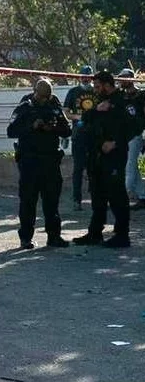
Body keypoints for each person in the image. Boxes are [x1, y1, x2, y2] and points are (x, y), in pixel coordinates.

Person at [6, 79, 71, 250]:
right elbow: (11, 131)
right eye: (42, 97)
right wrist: (31, 126)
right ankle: (26, 238)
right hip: (30, 161)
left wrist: (53, 128)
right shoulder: (25, 106)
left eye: (47, 97)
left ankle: (54, 236)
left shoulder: (54, 104)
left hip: (50, 160)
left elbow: (67, 130)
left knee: (52, 201)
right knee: (28, 201)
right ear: (35, 92)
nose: (45, 100)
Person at [74, 70, 133, 248]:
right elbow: (85, 119)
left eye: (98, 86)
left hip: (114, 156)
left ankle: (122, 235)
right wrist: (95, 110)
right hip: (97, 156)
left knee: (117, 196)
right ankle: (95, 233)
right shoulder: (100, 102)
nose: (95, 89)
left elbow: (134, 126)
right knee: (98, 196)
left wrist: (116, 142)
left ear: (107, 85)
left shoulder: (122, 102)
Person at [62, 66, 95, 211]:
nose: (85, 78)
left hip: (95, 136)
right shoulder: (73, 92)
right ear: (79, 77)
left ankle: (96, 199)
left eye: (88, 76)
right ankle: (77, 200)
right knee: (78, 169)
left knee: (95, 169)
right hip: (79, 135)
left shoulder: (97, 91)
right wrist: (78, 117)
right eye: (83, 76)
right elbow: (66, 112)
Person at [116, 68, 145, 211]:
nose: (121, 80)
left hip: (136, 134)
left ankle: (121, 195)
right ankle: (143, 195)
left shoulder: (141, 95)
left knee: (129, 165)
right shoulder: (121, 96)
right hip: (123, 135)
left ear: (130, 79)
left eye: (124, 78)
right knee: (132, 166)